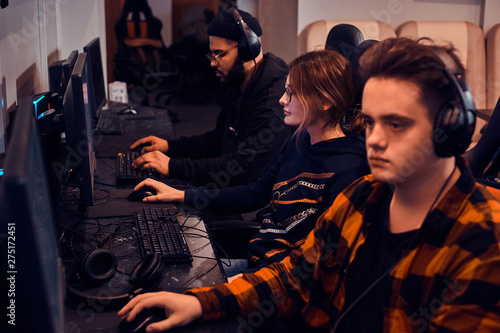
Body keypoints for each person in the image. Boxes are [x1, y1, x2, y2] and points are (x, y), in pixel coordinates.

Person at [118, 38, 500, 332]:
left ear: (451, 128)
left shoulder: (485, 242)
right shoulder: (363, 198)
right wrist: (203, 302)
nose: (375, 139)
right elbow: (295, 276)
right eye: (370, 121)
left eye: (396, 124)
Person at [130, 50, 369, 277]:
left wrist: (241, 287)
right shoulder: (302, 139)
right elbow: (253, 194)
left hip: (278, 283)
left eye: (292, 93)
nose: (282, 100)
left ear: (324, 102)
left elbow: (316, 267)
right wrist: (182, 195)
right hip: (257, 265)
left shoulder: (348, 170)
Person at [129, 8, 291, 188]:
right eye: (211, 54)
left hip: (252, 201)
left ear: (247, 49)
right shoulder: (237, 82)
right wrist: (170, 146)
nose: (212, 63)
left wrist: (172, 166)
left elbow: (241, 170)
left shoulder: (274, 102)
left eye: (220, 54)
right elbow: (218, 140)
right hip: (231, 187)